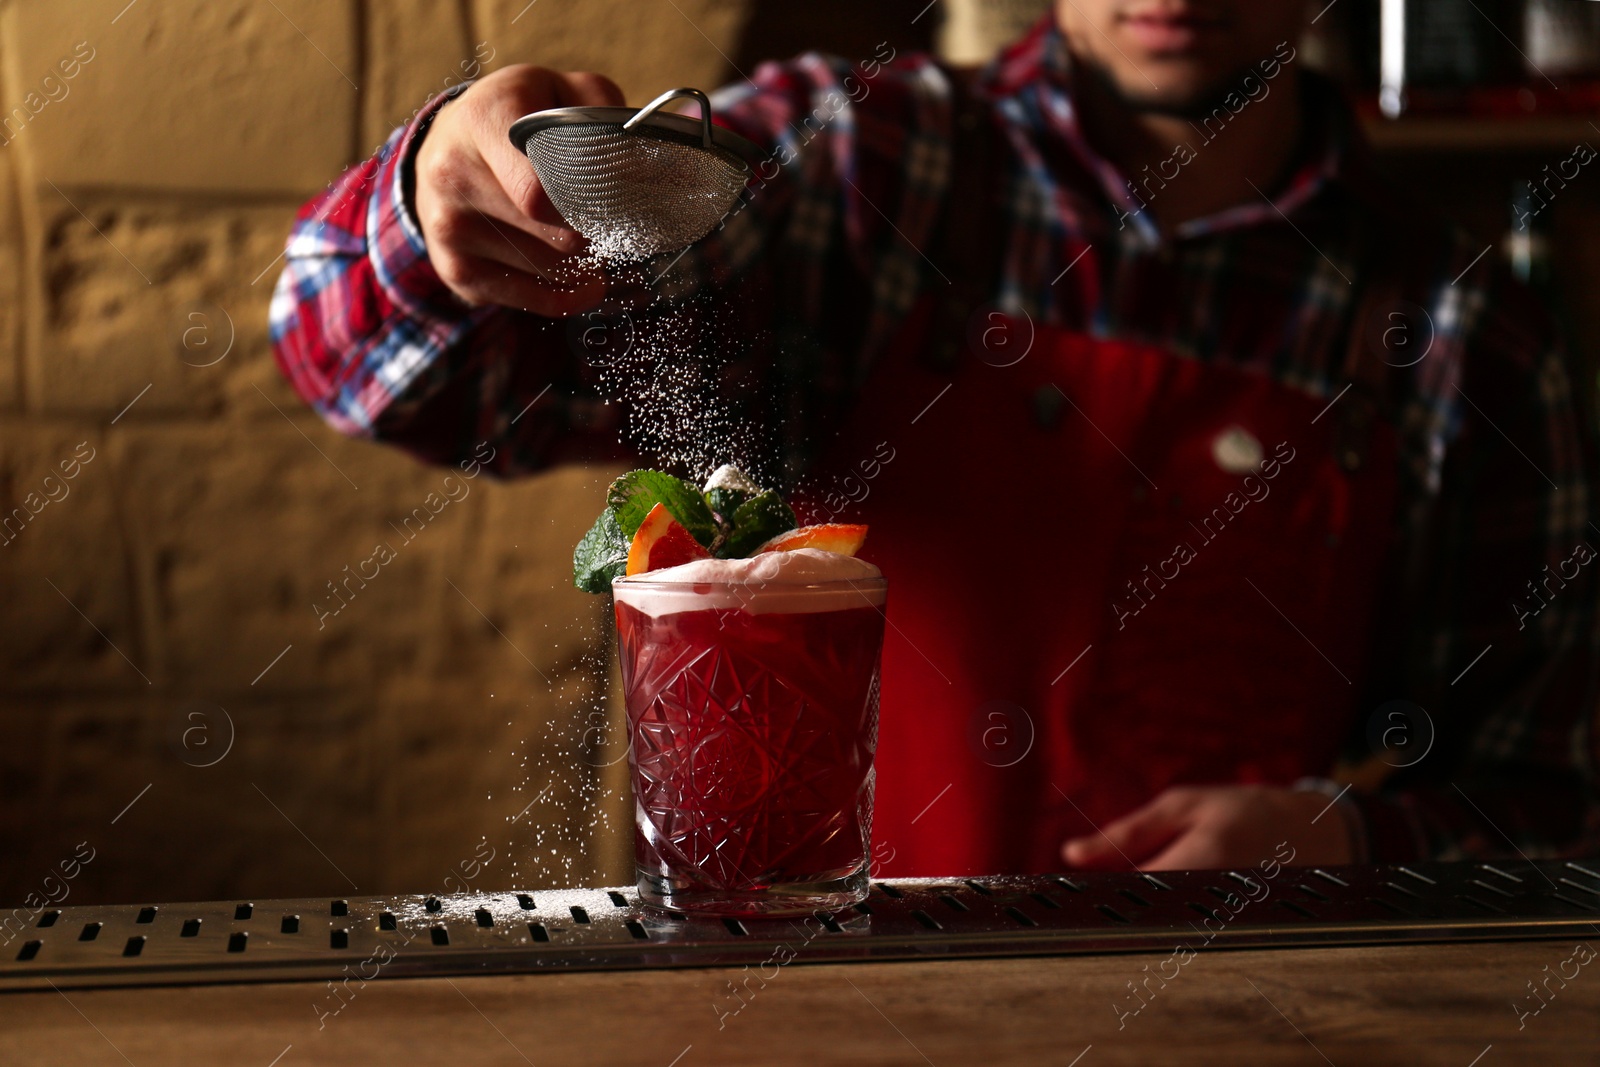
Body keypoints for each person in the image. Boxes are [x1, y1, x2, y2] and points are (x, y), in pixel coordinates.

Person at [271, 0, 1599, 875]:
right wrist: (437, 183)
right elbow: (385, 379)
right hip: (817, 999)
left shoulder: (1453, 321)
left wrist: (1350, 838)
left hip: (1237, 1020)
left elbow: (1553, 814)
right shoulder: (872, 166)